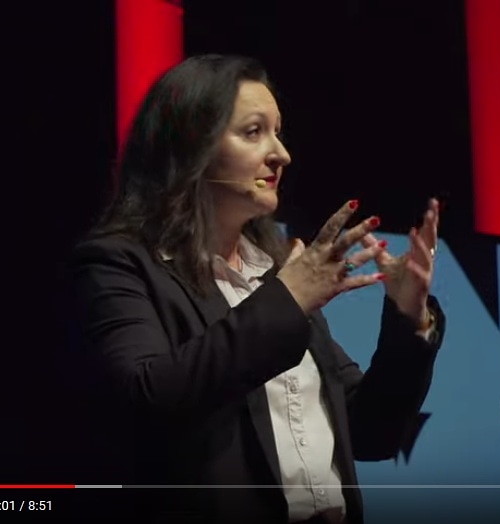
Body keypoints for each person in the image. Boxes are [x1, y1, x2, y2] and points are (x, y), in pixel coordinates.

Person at [69, 54, 445, 524]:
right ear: (190, 147)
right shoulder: (119, 263)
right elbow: (147, 399)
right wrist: (288, 298)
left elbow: (370, 432)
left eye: (278, 132)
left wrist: (409, 318)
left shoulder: (274, 272)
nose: (281, 154)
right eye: (253, 132)